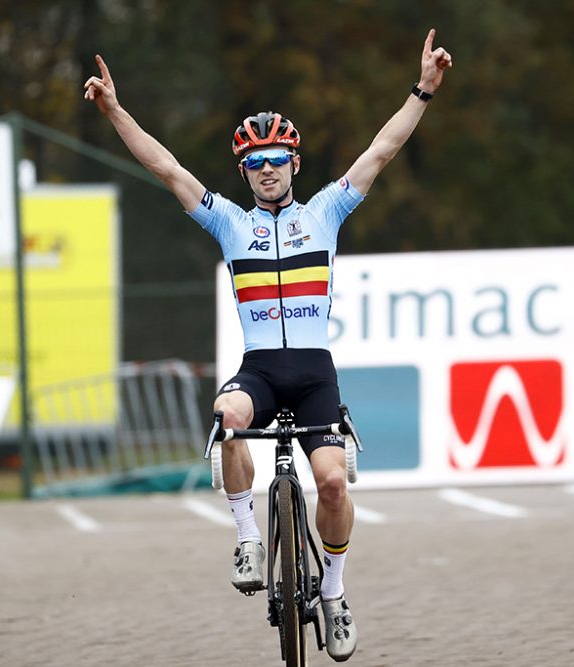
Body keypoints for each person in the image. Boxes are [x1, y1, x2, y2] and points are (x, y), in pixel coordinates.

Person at [84, 29, 452, 662]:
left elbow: (383, 149)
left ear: (295, 163)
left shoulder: (326, 213)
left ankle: (333, 593)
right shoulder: (229, 220)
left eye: (276, 157)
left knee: (333, 486)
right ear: (244, 172)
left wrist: (421, 90)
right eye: (254, 162)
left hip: (313, 375)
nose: (266, 169)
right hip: (260, 369)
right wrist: (116, 111)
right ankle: (248, 536)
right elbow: (164, 166)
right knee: (226, 419)